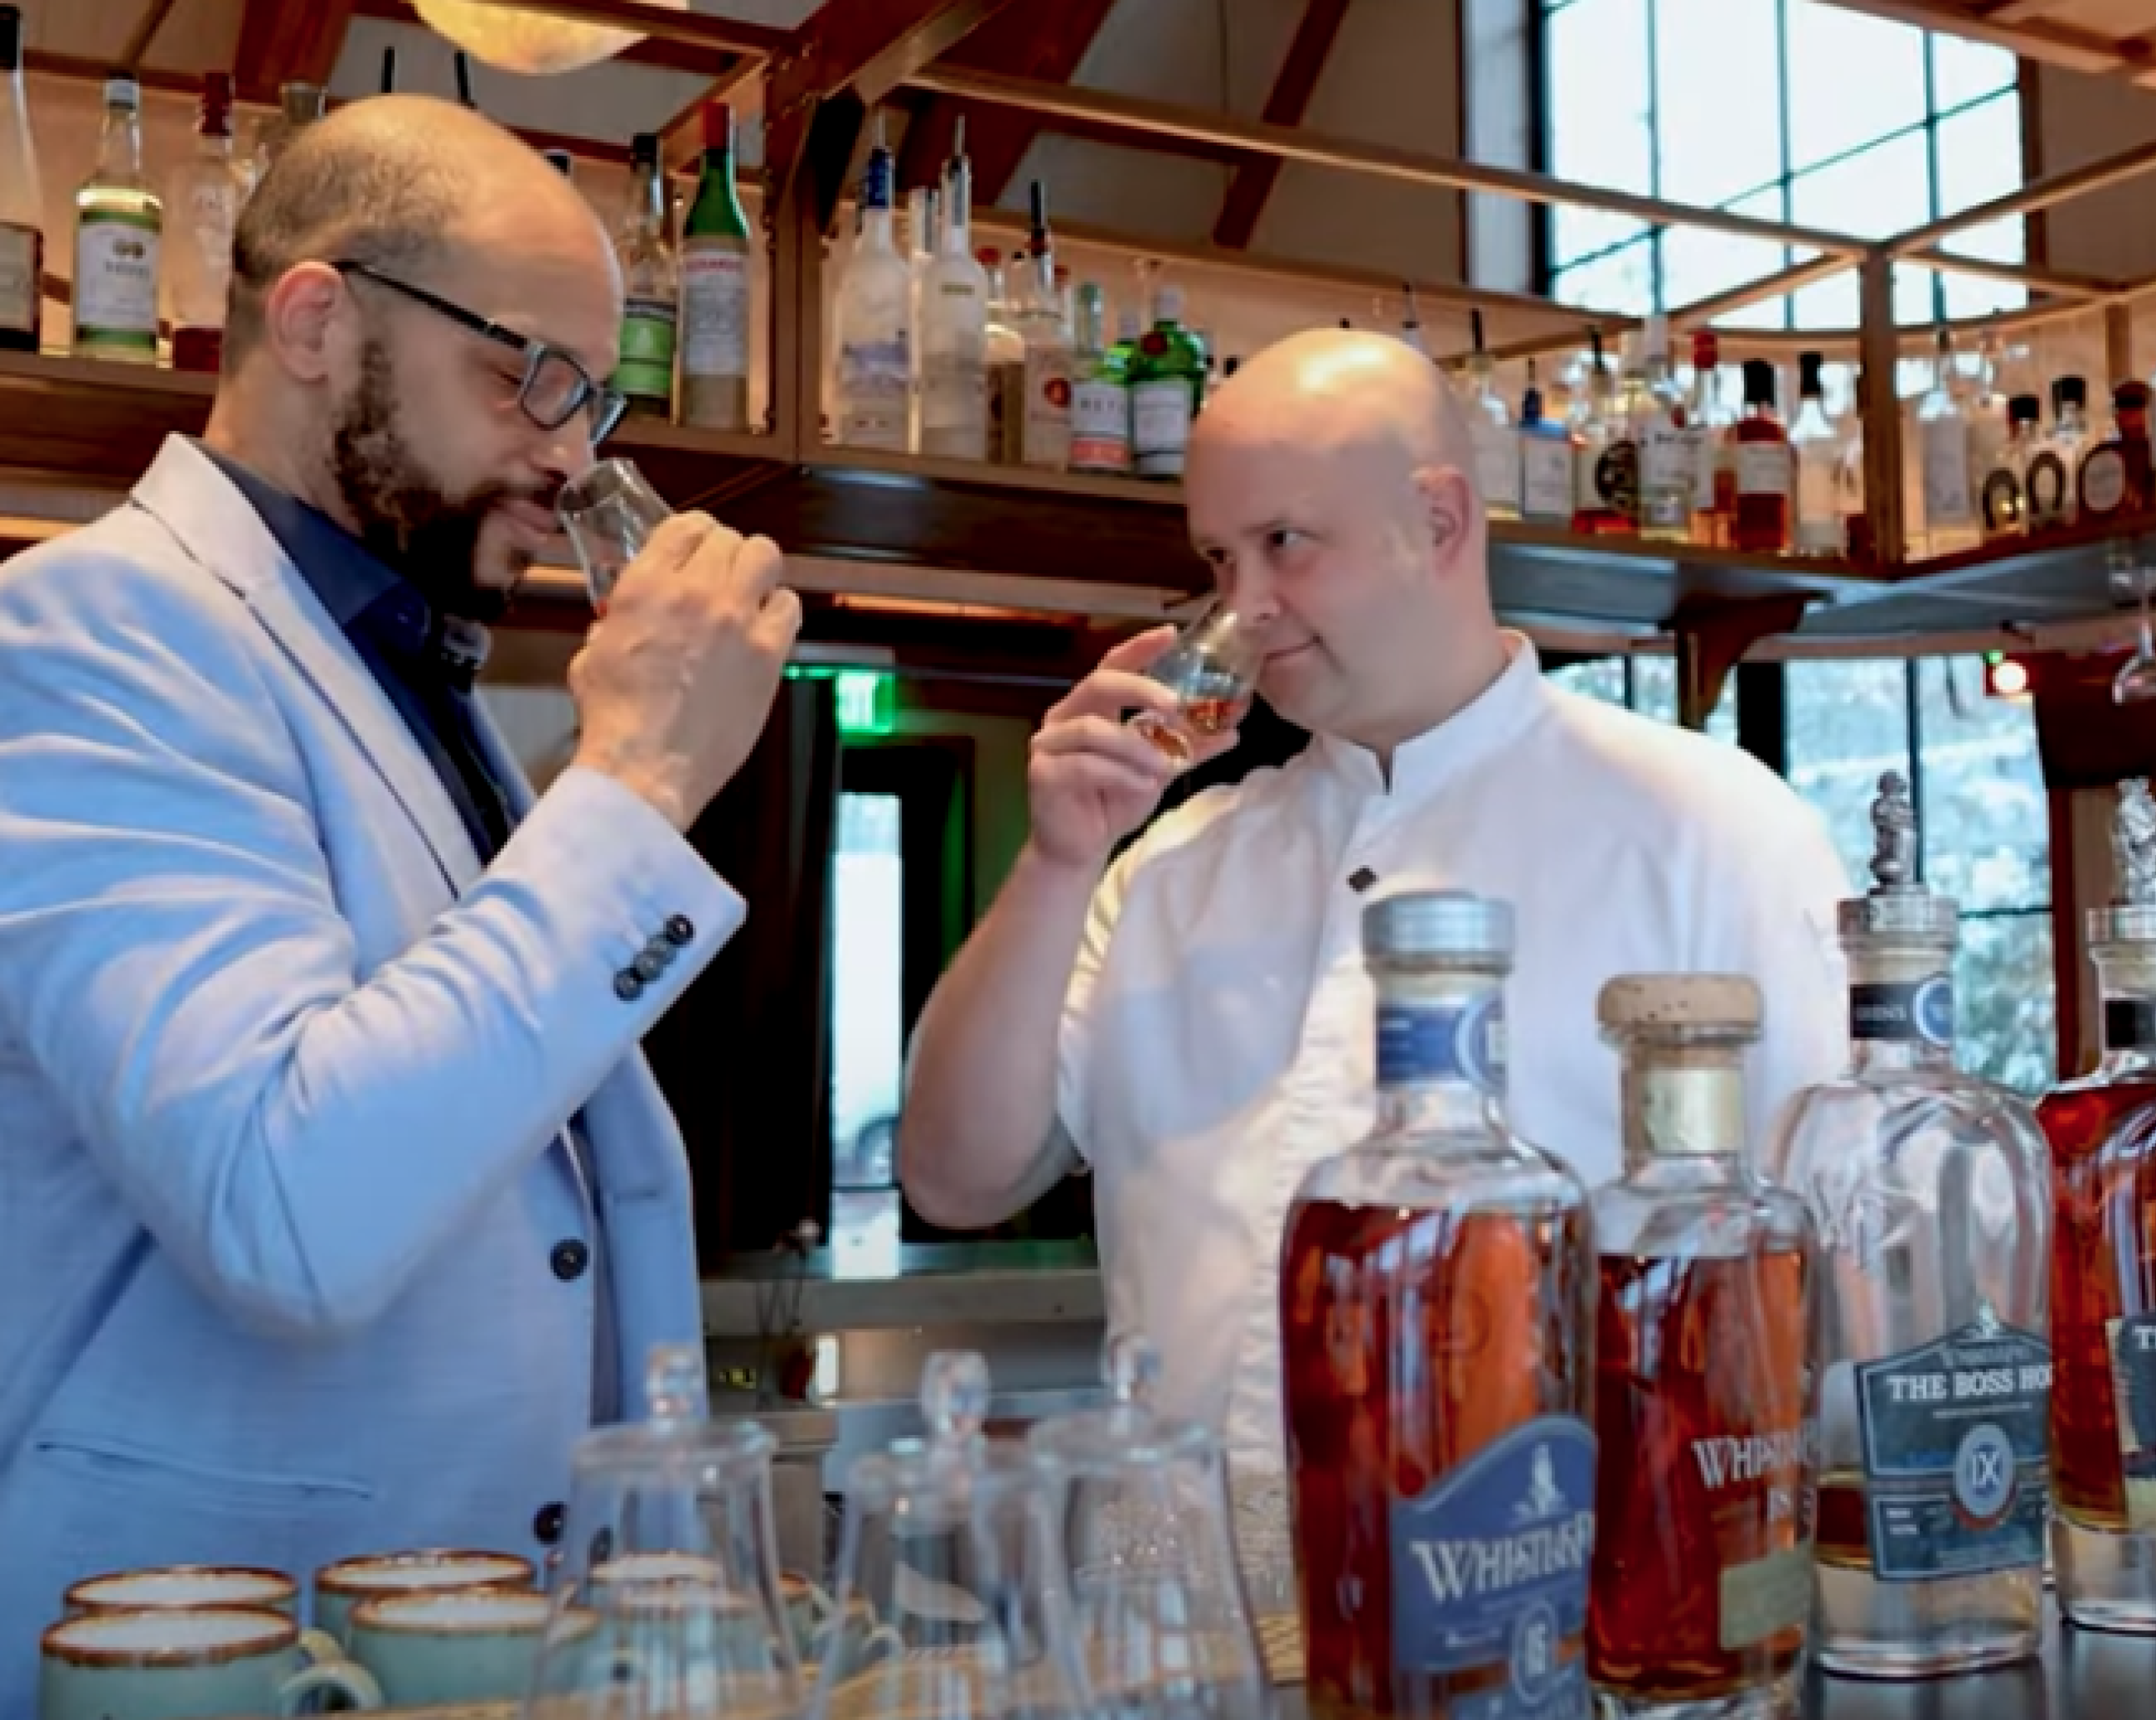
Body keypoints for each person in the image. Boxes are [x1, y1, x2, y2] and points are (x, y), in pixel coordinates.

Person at [0, 96, 798, 1681]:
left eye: (595, 401)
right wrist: (639, 778)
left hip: (466, 1647)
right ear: (317, 322)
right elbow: (287, 1205)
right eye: (529, 376)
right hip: (203, 1647)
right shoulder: (90, 629)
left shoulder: (412, 674)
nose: (572, 458)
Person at [898, 329, 1851, 1480]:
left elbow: (1832, 1270)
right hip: (1194, 1572)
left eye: (1284, 544)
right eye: (1219, 560)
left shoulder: (1712, 827)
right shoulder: (1169, 864)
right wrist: (1058, 863)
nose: (1244, 606)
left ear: (1440, 520)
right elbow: (955, 1177)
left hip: (1563, 1562)